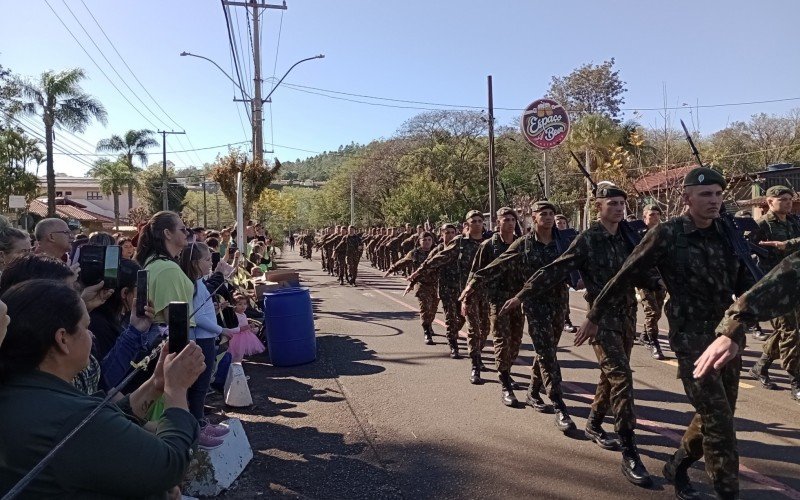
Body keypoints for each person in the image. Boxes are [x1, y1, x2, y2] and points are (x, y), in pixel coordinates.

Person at [580, 168, 753, 499]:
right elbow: (626, 274)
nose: (714, 200)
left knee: (718, 414)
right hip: (690, 338)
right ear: (686, 198)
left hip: (728, 336)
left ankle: (678, 465)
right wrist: (594, 314)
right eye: (706, 194)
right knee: (720, 426)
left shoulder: (727, 232)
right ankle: (726, 493)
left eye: (718, 194)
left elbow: (746, 282)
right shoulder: (667, 233)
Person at [503, 184, 657, 487]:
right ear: (597, 207)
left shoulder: (628, 237)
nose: (619, 208)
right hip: (600, 320)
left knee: (609, 376)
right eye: (612, 203)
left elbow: (640, 272)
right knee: (622, 378)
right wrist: (522, 295)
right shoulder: (587, 240)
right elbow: (556, 269)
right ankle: (630, 450)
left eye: (622, 203)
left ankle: (595, 424)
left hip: (627, 316)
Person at [0, 279, 205, 499]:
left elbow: (104, 422)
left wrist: (156, 385)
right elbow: (169, 466)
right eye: (86, 327)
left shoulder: (18, 390)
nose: (92, 335)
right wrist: (177, 390)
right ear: (63, 339)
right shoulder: (70, 418)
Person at [471, 202, 575, 429]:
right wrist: (472, 285)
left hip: (558, 304)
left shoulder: (563, 241)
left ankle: (533, 390)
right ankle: (558, 405)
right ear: (533, 218)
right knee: (543, 352)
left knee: (545, 351)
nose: (548, 218)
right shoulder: (524, 244)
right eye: (543, 214)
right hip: (530, 304)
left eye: (551, 214)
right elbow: (497, 264)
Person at [410, 211, 488, 373]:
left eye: (480, 221)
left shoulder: (489, 242)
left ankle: (475, 351)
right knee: (459, 321)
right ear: (466, 225)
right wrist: (419, 272)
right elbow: (439, 258)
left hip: (484, 291)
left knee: (484, 327)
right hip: (460, 291)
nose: (478, 223)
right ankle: (466, 354)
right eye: (474, 221)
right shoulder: (460, 243)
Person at [460, 207, 523, 405]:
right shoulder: (488, 246)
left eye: (513, 219)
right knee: (500, 341)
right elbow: (475, 272)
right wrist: (466, 297)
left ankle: (507, 370)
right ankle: (503, 382)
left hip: (517, 300)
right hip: (495, 300)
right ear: (497, 223)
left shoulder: (522, 244)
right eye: (506, 219)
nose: (510, 222)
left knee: (515, 341)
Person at [179, 242, 238, 449]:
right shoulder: (192, 284)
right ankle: (197, 427)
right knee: (199, 386)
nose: (209, 264)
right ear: (195, 263)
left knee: (202, 385)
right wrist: (222, 330)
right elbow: (196, 317)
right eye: (206, 260)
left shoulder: (198, 281)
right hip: (202, 338)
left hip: (207, 337)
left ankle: (201, 421)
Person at [747, 185, 800, 392]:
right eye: (783, 199)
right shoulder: (761, 225)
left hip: (794, 283)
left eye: (789, 199)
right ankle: (795, 380)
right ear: (769, 202)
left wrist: (786, 244)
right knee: (791, 333)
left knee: (786, 330)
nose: (788, 203)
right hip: (774, 287)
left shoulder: (794, 222)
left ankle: (761, 366)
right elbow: (747, 255)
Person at [134, 211, 194, 327]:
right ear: (167, 233)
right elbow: (175, 325)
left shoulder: (154, 262)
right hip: (171, 339)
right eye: (182, 229)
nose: (187, 233)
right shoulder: (168, 269)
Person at [385, 231, 438, 344]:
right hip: (421, 284)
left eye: (429, 240)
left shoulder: (436, 252)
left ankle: (429, 325)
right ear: (419, 241)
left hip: (436, 284)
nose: (427, 242)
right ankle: (427, 332)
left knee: (433, 309)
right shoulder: (415, 253)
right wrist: (391, 269)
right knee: (425, 309)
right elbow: (403, 262)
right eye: (424, 240)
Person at [636, 204, 667, 360]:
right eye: (651, 215)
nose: (655, 217)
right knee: (652, 312)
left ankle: (644, 335)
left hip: (662, 280)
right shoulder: (638, 236)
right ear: (644, 218)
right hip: (644, 280)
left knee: (657, 313)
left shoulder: (664, 234)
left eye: (657, 214)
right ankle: (654, 343)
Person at [555, 214, 578, 333]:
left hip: (567, 272)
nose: (562, 225)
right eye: (559, 223)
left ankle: (566, 320)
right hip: (553, 274)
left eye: (564, 223)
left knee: (564, 297)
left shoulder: (570, 236)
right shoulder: (551, 238)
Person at [226, 293, 265, 362]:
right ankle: (235, 364)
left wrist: (250, 327)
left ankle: (237, 364)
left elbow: (244, 322)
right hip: (238, 337)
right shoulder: (235, 315)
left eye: (245, 304)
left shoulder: (243, 314)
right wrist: (248, 326)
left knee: (240, 353)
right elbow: (238, 327)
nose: (243, 306)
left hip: (245, 335)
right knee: (236, 353)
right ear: (234, 306)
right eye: (240, 304)